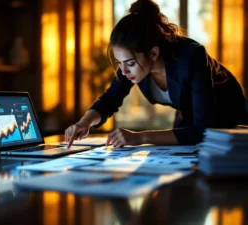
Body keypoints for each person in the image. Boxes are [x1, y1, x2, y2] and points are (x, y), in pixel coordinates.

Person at [65, 0, 248, 148]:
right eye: (119, 63)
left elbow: (203, 130)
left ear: (153, 53)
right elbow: (110, 98)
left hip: (228, 121)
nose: (123, 71)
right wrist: (84, 122)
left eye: (129, 63)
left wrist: (140, 138)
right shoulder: (132, 65)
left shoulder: (191, 57)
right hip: (189, 118)